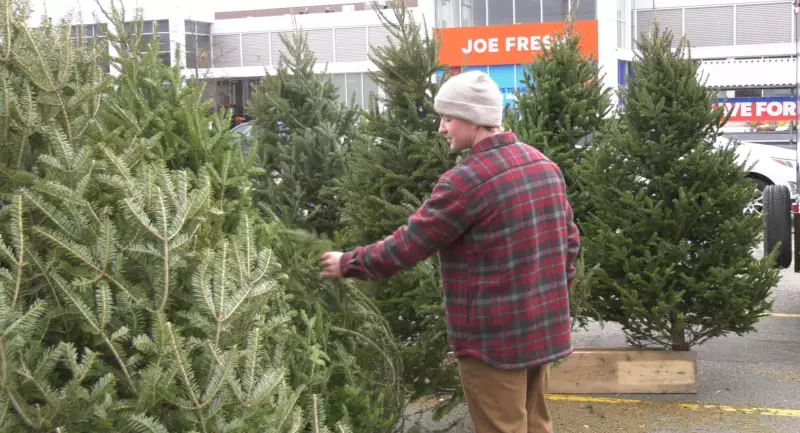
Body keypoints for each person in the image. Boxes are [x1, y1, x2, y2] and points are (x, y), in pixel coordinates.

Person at [319, 70, 580, 433]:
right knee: (537, 425)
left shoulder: (466, 181)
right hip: (541, 330)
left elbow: (410, 244)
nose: (442, 128)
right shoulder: (543, 165)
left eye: (448, 118)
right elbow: (569, 243)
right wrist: (553, 301)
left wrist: (348, 263)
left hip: (493, 341)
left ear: (474, 120)